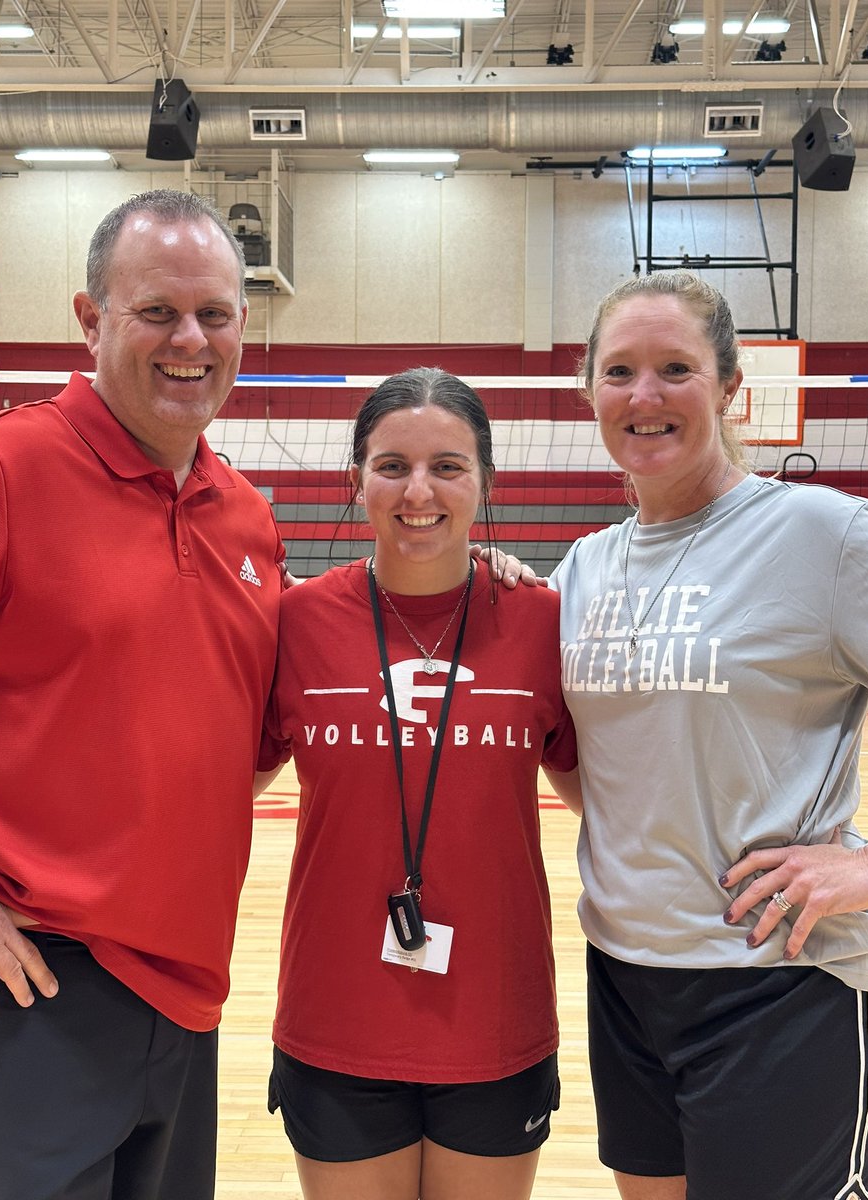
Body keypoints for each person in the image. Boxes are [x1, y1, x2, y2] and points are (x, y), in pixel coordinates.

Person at [0, 189, 285, 1200]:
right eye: (156, 311)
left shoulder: (246, 518)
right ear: (89, 317)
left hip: (189, 1000)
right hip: (30, 990)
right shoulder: (0, 473)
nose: (190, 339)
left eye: (214, 313)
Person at [547, 269, 868, 1200]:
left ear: (732, 388)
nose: (644, 397)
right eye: (619, 372)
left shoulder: (823, 536)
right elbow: (602, 758)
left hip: (776, 984)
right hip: (624, 976)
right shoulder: (583, 568)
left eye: (675, 369)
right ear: (589, 391)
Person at [256, 367, 580, 1200]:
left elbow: (606, 797)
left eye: (448, 465)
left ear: (486, 481)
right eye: (392, 465)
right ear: (355, 477)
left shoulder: (543, 620)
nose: (419, 490)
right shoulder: (293, 623)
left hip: (495, 1022)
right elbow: (214, 786)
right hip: (336, 1019)